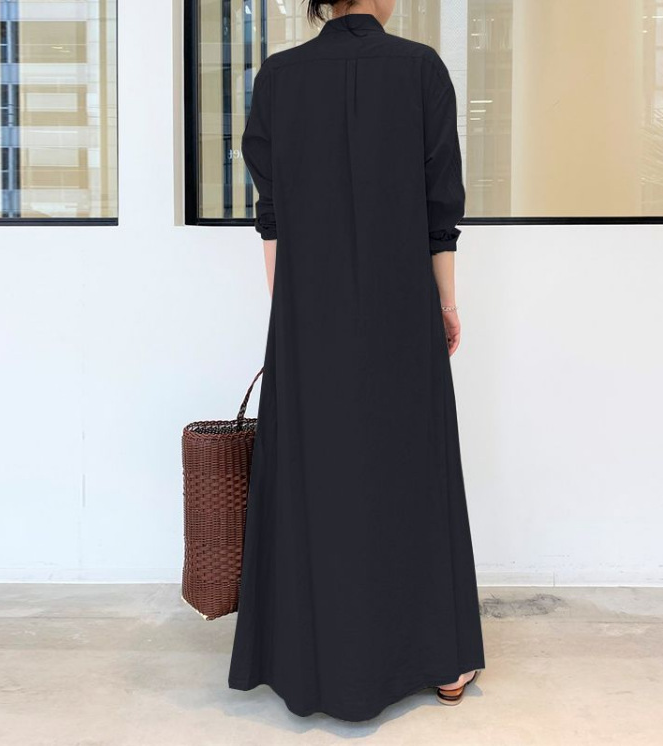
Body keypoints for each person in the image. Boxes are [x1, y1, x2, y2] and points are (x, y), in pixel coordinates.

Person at [228, 0, 486, 722]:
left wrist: (291, 315)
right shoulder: (420, 69)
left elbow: (272, 212)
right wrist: (446, 303)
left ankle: (305, 657)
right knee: (414, 466)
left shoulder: (279, 77)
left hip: (307, 307)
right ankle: (443, 660)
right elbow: (440, 207)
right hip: (402, 302)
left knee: (315, 471)